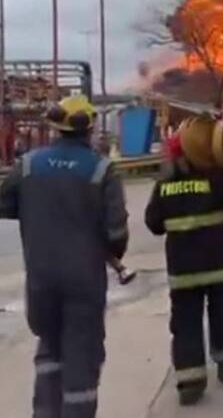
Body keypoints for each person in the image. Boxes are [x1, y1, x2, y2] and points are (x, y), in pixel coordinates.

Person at [0, 94, 129, 418]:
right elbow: (116, 235)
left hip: (41, 280)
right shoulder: (102, 169)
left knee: (49, 353)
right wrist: (110, 250)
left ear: (57, 127)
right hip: (84, 282)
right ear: (88, 127)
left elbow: (5, 204)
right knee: (81, 358)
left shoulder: (27, 164)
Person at [145, 114, 223, 405]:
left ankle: (190, 381)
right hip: (221, 266)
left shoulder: (164, 187)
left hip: (184, 273)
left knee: (185, 322)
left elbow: (153, 224)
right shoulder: (220, 180)